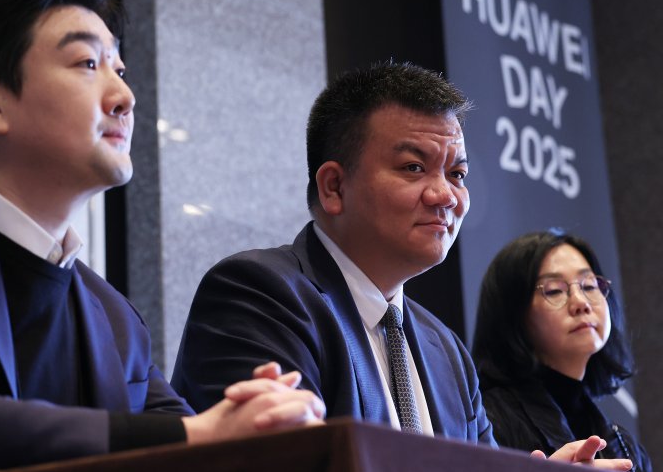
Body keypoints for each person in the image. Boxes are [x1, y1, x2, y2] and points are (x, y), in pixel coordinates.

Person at [0, 0, 324, 471]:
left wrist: (260, 423)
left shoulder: (115, 315)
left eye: (119, 70)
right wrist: (198, 434)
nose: (125, 97)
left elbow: (189, 445)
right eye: (87, 63)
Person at [171, 61, 633, 469]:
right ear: (334, 187)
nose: (445, 195)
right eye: (414, 167)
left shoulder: (447, 351)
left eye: (457, 174)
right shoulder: (260, 294)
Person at [471, 230, 652, 470]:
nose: (581, 303)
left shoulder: (624, 443)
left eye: (589, 285)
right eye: (554, 290)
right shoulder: (484, 421)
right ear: (512, 314)